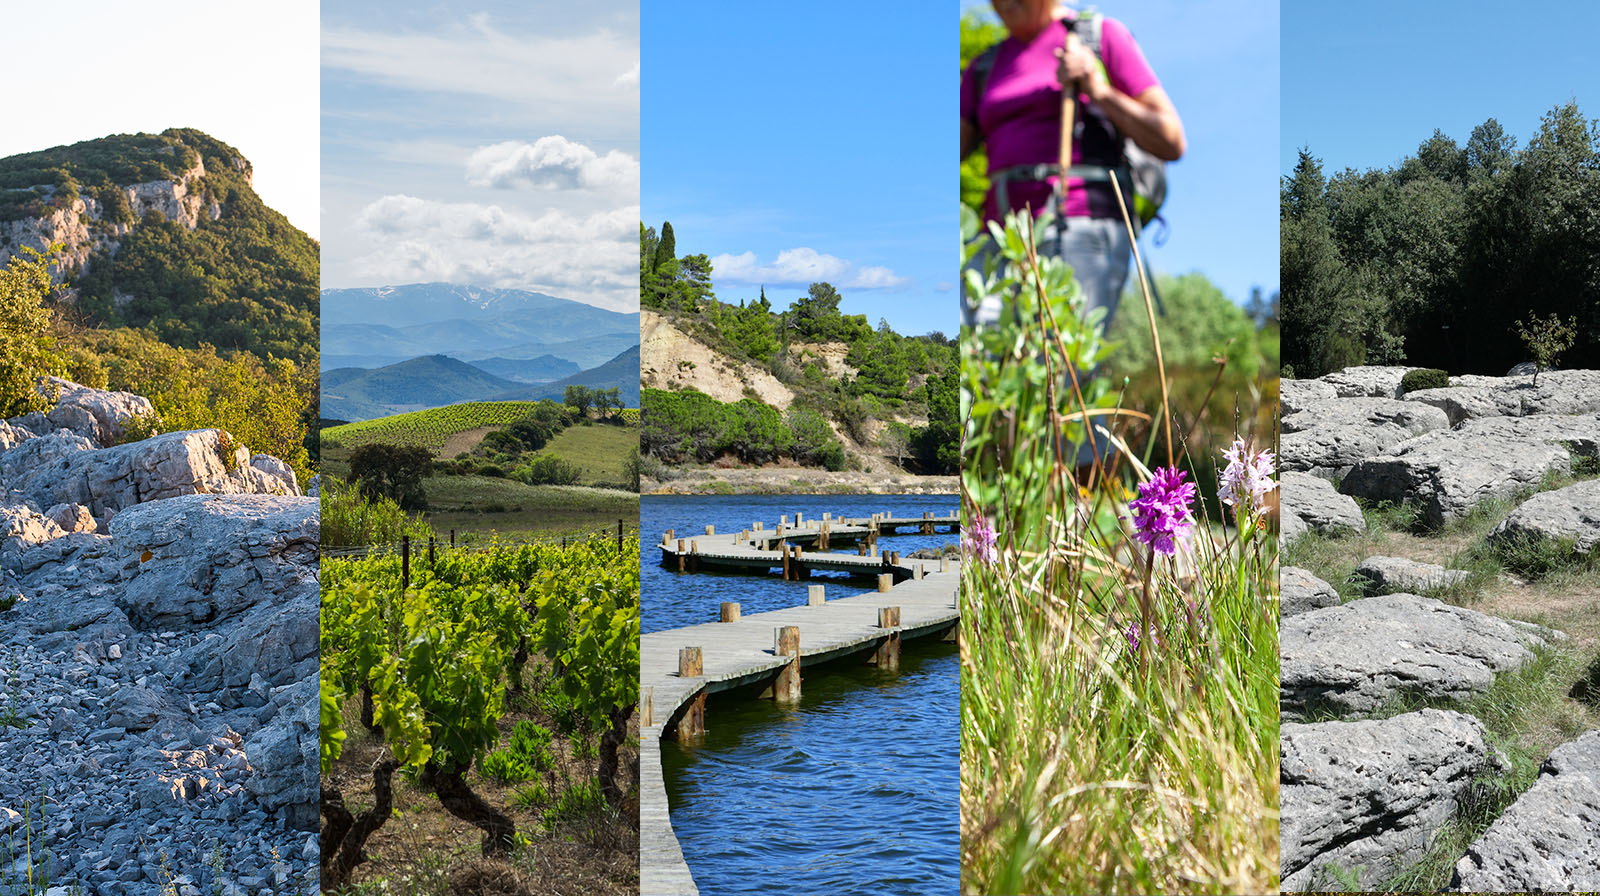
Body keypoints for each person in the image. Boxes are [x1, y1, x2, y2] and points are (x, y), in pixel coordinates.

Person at [960, 0, 1185, 477]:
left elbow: (1171, 138)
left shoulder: (1098, 36)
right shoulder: (984, 66)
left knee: (1068, 373)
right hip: (999, 236)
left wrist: (1098, 88)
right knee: (977, 359)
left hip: (1083, 224)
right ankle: (1003, 508)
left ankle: (1084, 518)